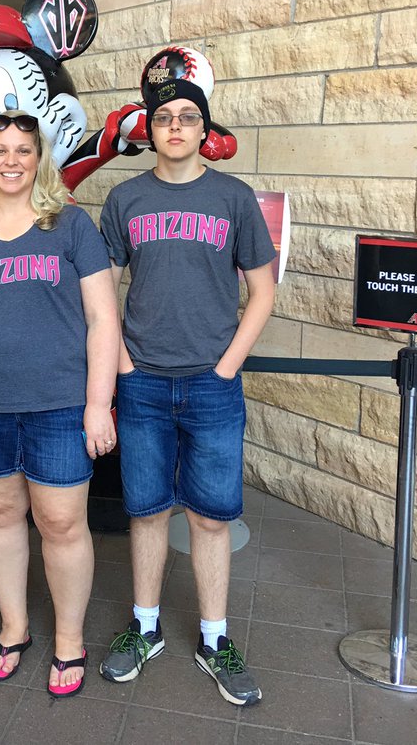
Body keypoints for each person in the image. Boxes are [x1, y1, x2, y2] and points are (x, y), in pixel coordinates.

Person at [97, 78, 276, 706]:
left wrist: (227, 367)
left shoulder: (233, 198)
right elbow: (102, 292)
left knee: (210, 516)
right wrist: (120, 364)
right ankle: (144, 629)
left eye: (188, 117)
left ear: (205, 130)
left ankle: (214, 638)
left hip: (212, 385)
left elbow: (263, 290)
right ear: (150, 129)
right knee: (145, 511)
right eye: (164, 117)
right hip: (143, 381)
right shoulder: (125, 198)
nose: (175, 126)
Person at [0, 110, 120, 698]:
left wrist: (99, 403)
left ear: (40, 158)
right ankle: (14, 628)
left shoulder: (69, 225)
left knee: (62, 522)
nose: (11, 161)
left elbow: (102, 318)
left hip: (61, 403)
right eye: (0, 150)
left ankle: (69, 639)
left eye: (23, 150)